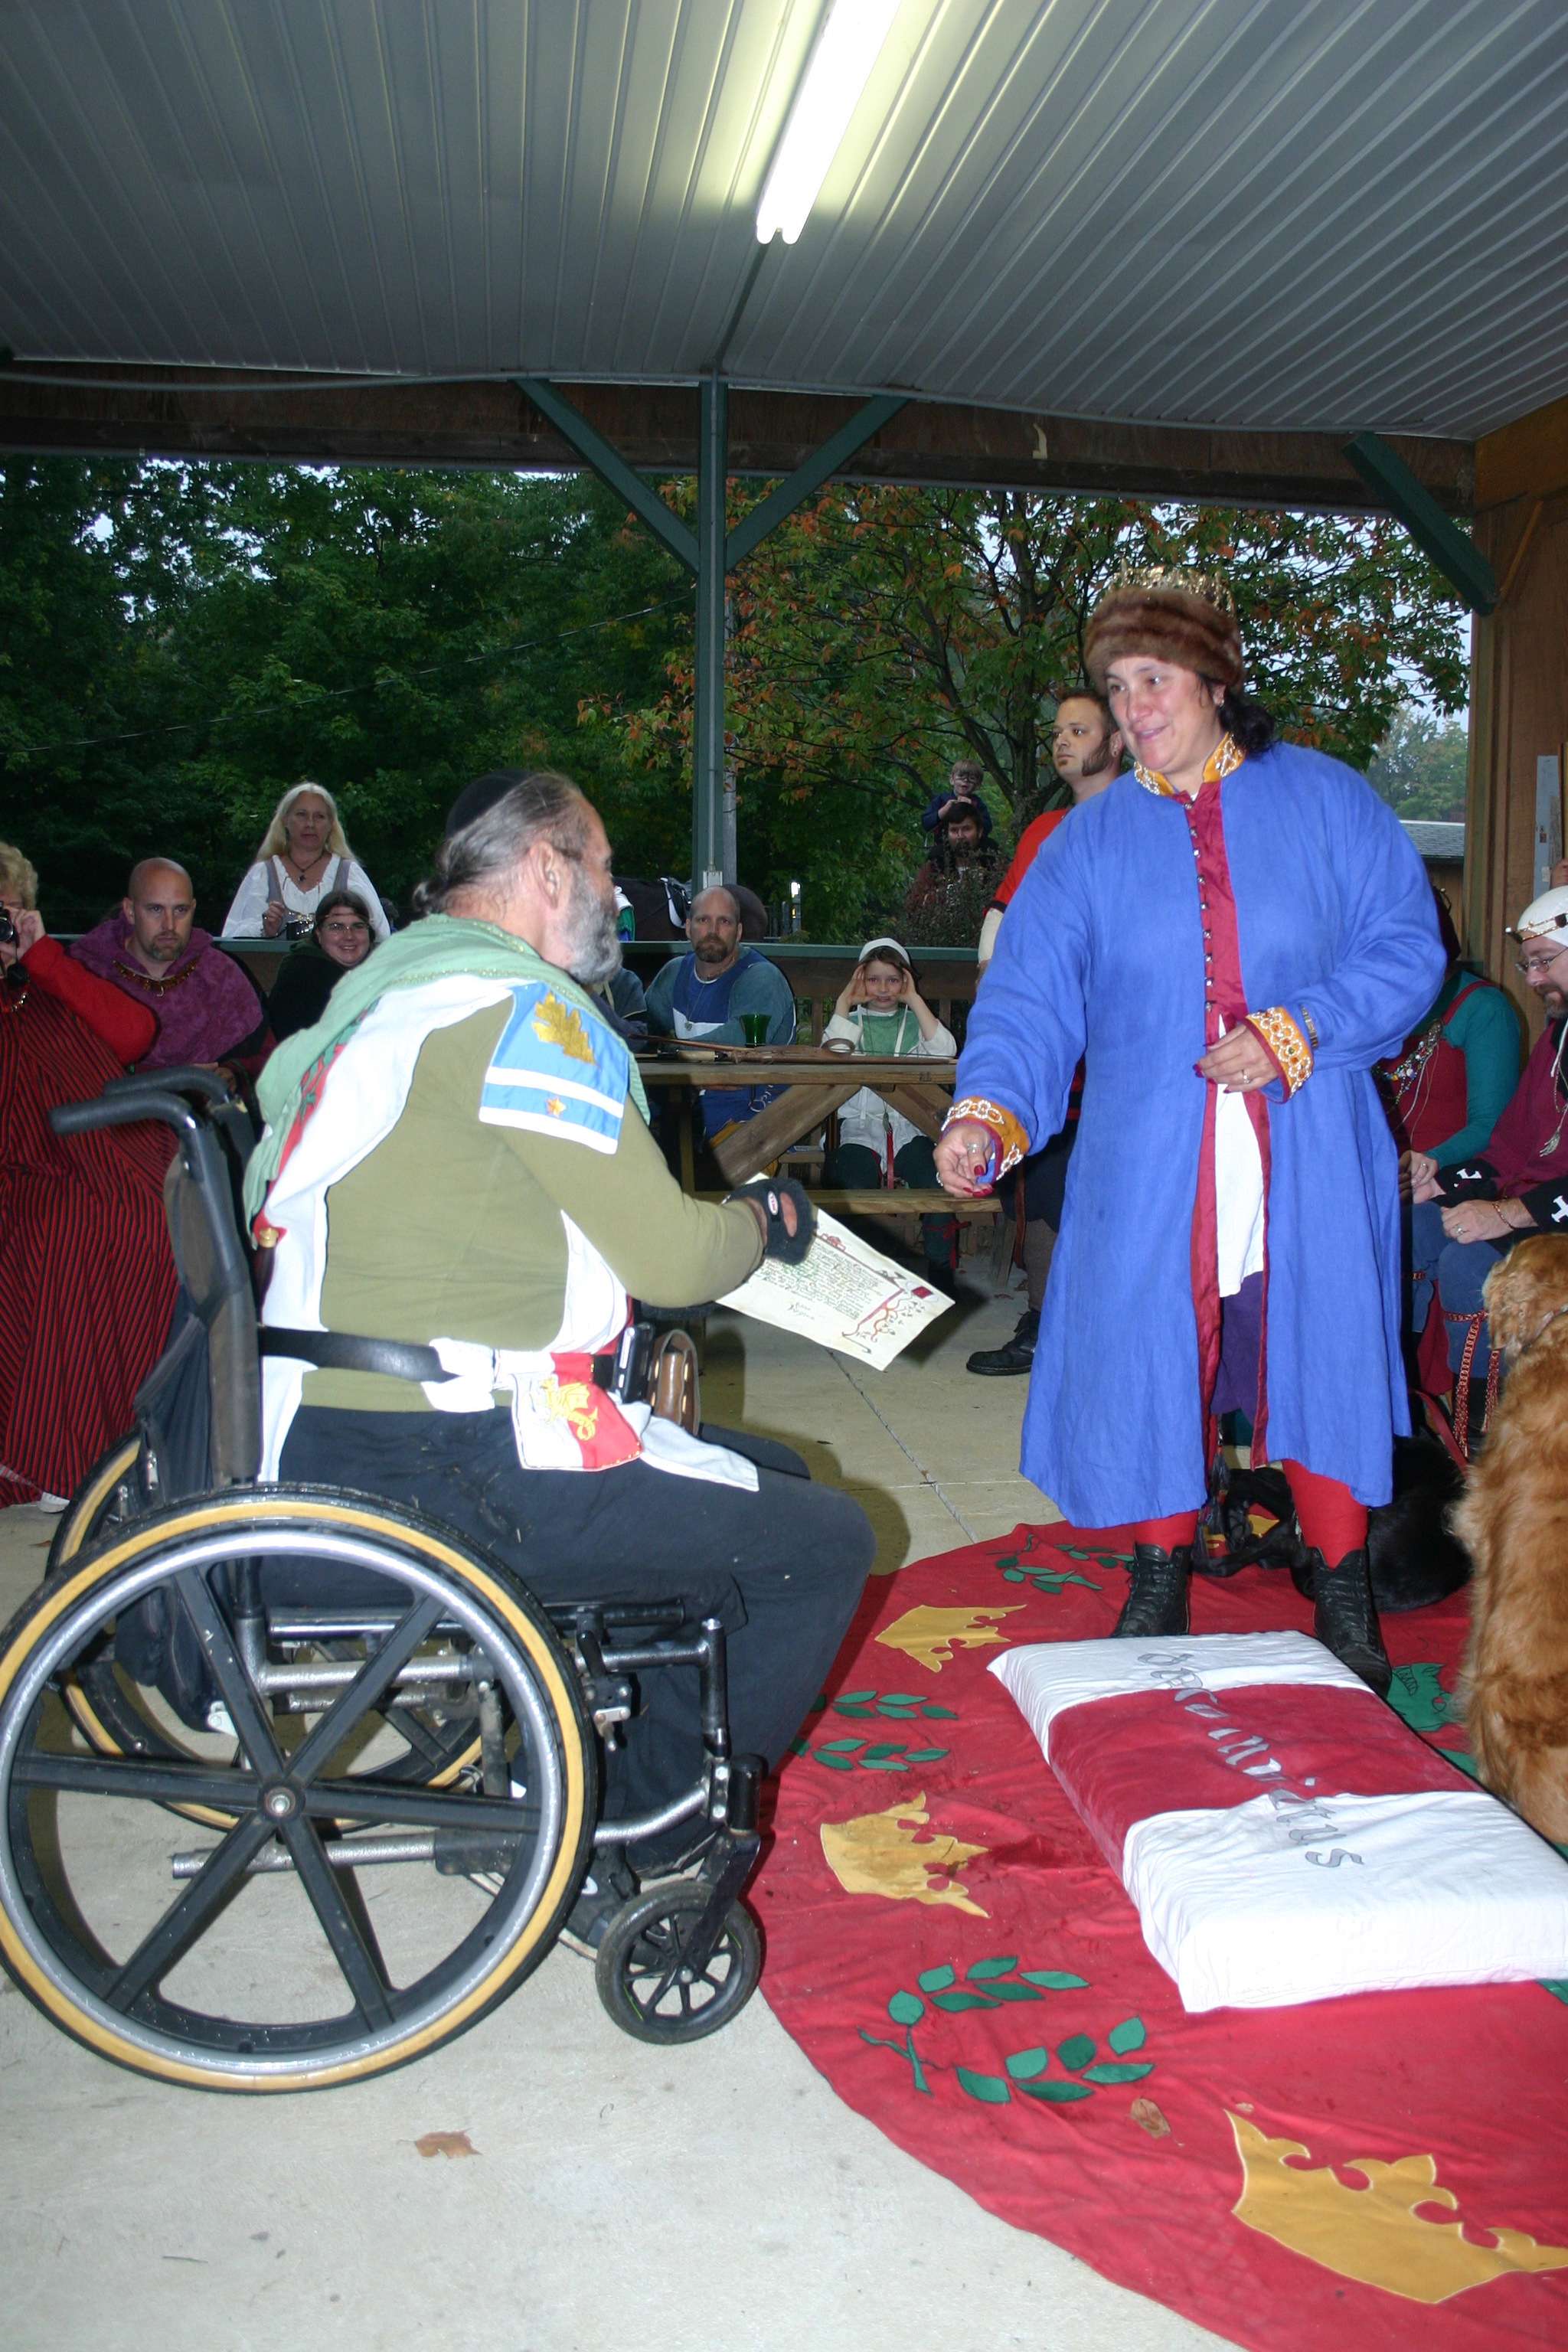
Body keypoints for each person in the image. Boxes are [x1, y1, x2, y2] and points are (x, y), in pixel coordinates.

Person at [246, 769, 874, 1945]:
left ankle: (575, 1771)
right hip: (452, 1458)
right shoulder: (524, 1015)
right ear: (546, 868)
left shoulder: (386, 996)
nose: (617, 899)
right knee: (826, 1543)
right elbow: (672, 1260)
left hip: (325, 1432)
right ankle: (629, 1836)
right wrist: (764, 1222)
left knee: (770, 1480)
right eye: (602, 869)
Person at [935, 567, 1446, 1693]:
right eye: (1117, 686)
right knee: (1150, 1352)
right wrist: (988, 1111)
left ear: (1215, 680)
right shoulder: (1085, 844)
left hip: (1309, 1141)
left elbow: (1407, 947)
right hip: (1152, 1155)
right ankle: (1158, 1572)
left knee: (1322, 1348)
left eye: (1153, 679)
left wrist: (1299, 1029)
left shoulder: (1328, 802)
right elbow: (1027, 1000)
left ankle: (1344, 1586)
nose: (1134, 708)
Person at [0, 843, 177, 1509]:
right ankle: (58, 1456)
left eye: (9, 911)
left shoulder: (49, 976)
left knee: (160, 1214)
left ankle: (150, 1439)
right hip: (32, 1164)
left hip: (113, 1148)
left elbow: (135, 1033)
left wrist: (42, 956)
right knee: (72, 1225)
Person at [969, 688, 1125, 1376]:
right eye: (1057, 731)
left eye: (1079, 730)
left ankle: (1114, 1333)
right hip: (1058, 1052)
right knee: (1043, 1181)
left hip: (1130, 1049)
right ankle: (1043, 1323)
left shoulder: (1151, 821)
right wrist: (994, 980)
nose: (1062, 741)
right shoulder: (1044, 830)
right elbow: (1003, 915)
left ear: (1116, 743)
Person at [1407, 883, 1568, 1441]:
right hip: (1532, 1203)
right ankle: (1398, 1407)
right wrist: (1441, 1184)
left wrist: (1506, 1214)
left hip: (1550, 1216)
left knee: (1468, 1264)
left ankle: (1482, 1442)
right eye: (1528, 965)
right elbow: (1507, 1148)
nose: (1534, 979)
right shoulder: (1558, 1037)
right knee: (1406, 1228)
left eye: (1544, 961)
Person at [822, 938, 958, 1289]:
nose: (883, 988)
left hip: (909, 1127)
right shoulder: (850, 1022)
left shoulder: (916, 1023)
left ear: (906, 981)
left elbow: (946, 1051)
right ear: (860, 980)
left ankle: (940, 1268)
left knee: (937, 1179)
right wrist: (844, 1002)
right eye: (873, 979)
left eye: (894, 980)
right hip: (860, 1128)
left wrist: (914, 1000)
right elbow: (830, 1057)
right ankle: (851, 1272)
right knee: (848, 1184)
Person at [71, 858, 272, 1078]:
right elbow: (68, 1062)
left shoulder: (220, 974)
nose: (169, 925)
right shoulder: (87, 972)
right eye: (155, 909)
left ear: (193, 909)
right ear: (130, 911)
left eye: (180, 910)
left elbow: (268, 1057)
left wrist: (234, 1074)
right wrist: (166, 1078)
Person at [644, 884, 797, 1150]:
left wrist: (674, 1055)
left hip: (752, 1120)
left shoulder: (761, 978)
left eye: (724, 921)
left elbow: (737, 1042)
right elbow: (639, 1029)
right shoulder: (675, 974)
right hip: (685, 1112)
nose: (713, 930)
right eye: (703, 920)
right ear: (688, 927)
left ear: (739, 931)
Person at [221, 782, 390, 943]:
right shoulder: (263, 874)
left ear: (331, 824)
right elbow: (233, 940)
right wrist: (265, 931)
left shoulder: (349, 874)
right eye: (301, 814)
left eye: (319, 816)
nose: (310, 824)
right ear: (285, 820)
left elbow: (380, 935)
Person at [265, 888, 377, 1043]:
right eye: (336, 927)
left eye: (358, 926)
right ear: (318, 934)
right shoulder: (304, 978)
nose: (349, 936)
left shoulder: (374, 975)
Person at [903, 803, 1000, 918]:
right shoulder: (935, 866)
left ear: (979, 832)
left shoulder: (995, 865)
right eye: (954, 830)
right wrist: (951, 892)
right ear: (947, 835)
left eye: (967, 829)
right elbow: (911, 906)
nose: (960, 836)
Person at [921, 756, 994, 841]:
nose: (965, 780)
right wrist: (942, 812)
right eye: (961, 776)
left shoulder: (977, 803)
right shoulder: (941, 799)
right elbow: (925, 823)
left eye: (971, 778)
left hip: (971, 845)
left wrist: (972, 809)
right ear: (952, 780)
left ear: (977, 785)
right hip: (943, 844)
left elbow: (987, 827)